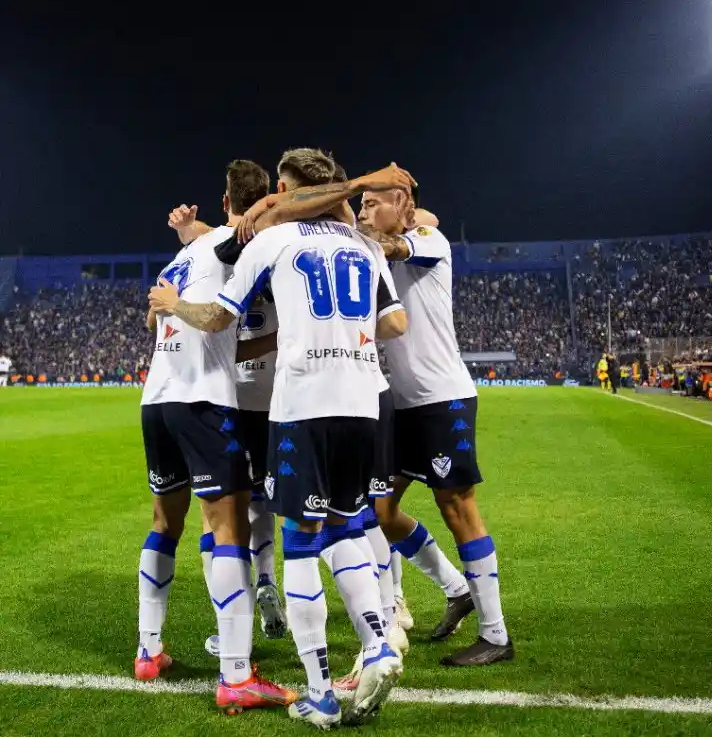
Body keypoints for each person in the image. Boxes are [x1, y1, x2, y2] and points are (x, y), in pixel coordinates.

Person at [149, 148, 412, 729]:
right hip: (363, 403)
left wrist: (172, 305)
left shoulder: (273, 242)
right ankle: (377, 643)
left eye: (278, 195)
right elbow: (395, 322)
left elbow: (217, 320)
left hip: (300, 406)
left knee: (299, 543)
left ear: (291, 192)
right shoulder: (364, 246)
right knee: (347, 524)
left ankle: (319, 690)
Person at [136, 160, 296, 714]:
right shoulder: (235, 239)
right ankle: (235, 675)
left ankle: (149, 649)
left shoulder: (184, 255)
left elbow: (162, 324)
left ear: (221, 197)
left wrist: (187, 232)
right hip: (202, 402)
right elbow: (271, 219)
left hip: (157, 399)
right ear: (253, 207)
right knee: (227, 523)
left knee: (165, 522)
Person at [357, 187, 514, 667]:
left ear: (401, 203)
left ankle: (496, 635)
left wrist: (368, 237)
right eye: (359, 204)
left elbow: (399, 243)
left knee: (457, 506)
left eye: (371, 202)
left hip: (442, 397)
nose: (362, 211)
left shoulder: (429, 239)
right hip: (401, 405)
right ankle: (456, 588)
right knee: (380, 510)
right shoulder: (377, 248)